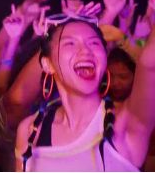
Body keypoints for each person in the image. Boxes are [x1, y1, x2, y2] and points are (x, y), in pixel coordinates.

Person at [15, 12, 155, 171]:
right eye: (70, 44)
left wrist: (124, 39)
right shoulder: (30, 130)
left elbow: (150, 64)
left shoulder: (126, 125)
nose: (86, 51)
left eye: (94, 43)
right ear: (48, 64)